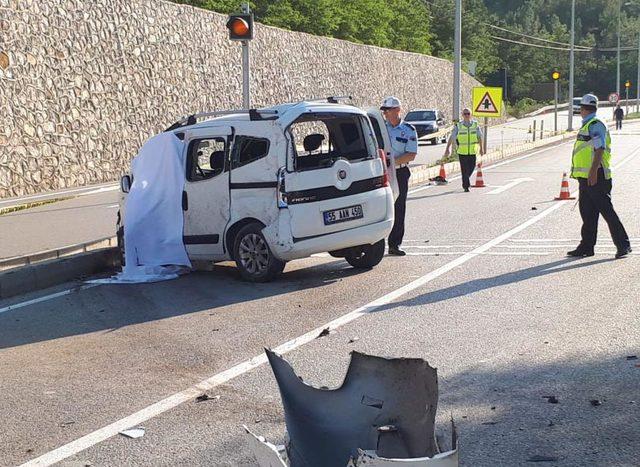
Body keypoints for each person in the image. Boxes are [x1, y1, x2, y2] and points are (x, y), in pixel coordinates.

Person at [567, 94, 631, 259]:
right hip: (587, 177)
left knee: (607, 211)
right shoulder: (589, 124)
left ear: (582, 108)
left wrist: (594, 171)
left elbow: (599, 148)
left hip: (597, 176)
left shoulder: (595, 124)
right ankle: (587, 246)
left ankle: (623, 245)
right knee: (587, 213)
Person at [380, 96, 418, 256]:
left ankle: (394, 244)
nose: (385, 113)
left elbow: (411, 154)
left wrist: (392, 163)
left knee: (398, 207)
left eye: (388, 110)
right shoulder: (380, 128)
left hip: (400, 172)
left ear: (397, 110)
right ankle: (376, 243)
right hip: (382, 171)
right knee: (380, 207)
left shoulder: (408, 130)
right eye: (384, 111)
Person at [444, 108, 485, 192]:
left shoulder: (475, 125)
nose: (466, 115)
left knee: (471, 168)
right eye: (465, 114)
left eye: (468, 113)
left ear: (471, 115)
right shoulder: (458, 126)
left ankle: (466, 180)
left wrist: (481, 148)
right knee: (464, 169)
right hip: (462, 152)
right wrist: (447, 148)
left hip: (472, 151)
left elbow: (480, 137)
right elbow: (452, 137)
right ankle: (466, 186)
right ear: (462, 115)